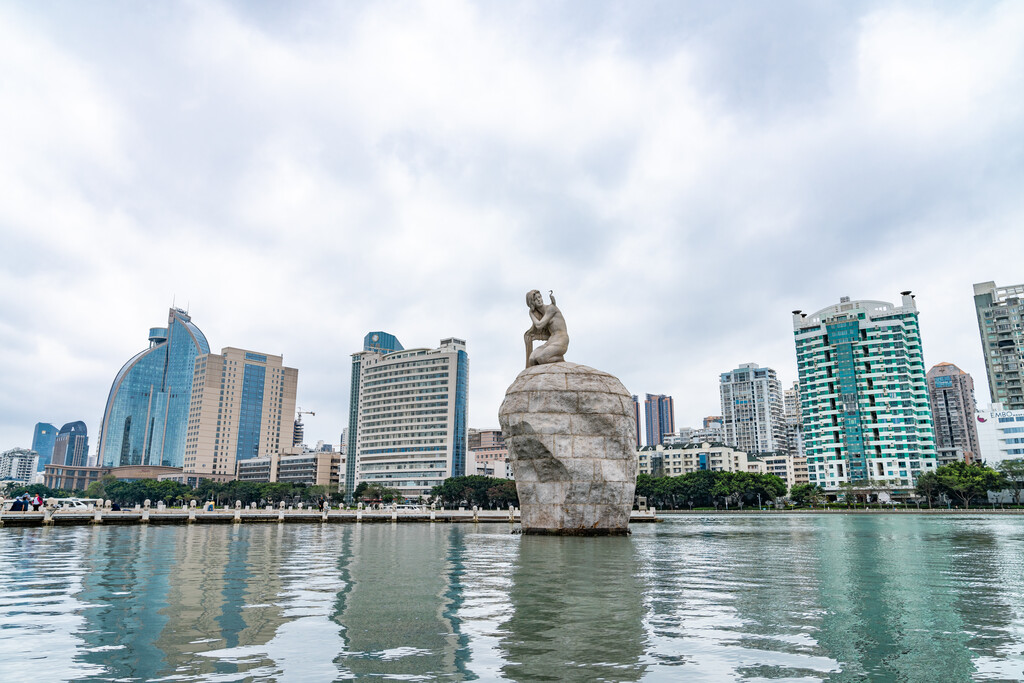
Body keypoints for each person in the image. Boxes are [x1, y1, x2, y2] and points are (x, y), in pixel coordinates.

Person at [523, 289, 569, 368]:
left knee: (542, 358)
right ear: (532, 303)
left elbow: (539, 325)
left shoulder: (551, 308)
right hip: (551, 341)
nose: (539, 300)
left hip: (561, 340)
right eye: (535, 299)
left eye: (539, 297)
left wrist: (531, 313)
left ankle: (560, 358)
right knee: (532, 359)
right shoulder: (540, 315)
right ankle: (551, 357)